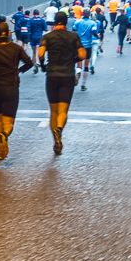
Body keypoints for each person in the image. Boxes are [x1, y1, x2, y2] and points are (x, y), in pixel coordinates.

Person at [0, 22, 34, 160]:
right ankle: (5, 134)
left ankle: (0, 150)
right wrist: (18, 71)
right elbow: (29, 63)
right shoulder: (16, 48)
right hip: (11, 87)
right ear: (9, 33)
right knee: (8, 122)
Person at [38, 11, 86, 156]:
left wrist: (43, 65)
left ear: (54, 21)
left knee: (53, 110)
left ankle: (55, 139)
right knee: (63, 110)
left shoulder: (47, 37)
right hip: (67, 76)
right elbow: (83, 55)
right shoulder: (73, 36)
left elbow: (40, 54)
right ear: (66, 22)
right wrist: (74, 59)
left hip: (52, 75)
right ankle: (59, 129)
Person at [73, 9, 97, 89]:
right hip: (88, 46)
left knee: (79, 64)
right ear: (89, 14)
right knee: (86, 65)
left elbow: (73, 31)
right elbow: (94, 32)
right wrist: (98, 37)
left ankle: (77, 75)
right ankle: (83, 84)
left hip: (78, 46)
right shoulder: (92, 23)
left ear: (83, 14)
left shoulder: (77, 22)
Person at [28, 9, 48, 73]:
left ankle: (34, 66)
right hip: (39, 38)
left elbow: (28, 28)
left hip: (32, 38)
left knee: (34, 52)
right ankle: (37, 62)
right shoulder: (42, 20)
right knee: (37, 50)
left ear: (33, 14)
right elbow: (45, 29)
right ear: (39, 13)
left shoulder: (31, 20)